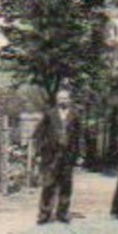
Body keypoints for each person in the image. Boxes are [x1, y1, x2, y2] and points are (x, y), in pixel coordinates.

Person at [34, 88, 76, 225]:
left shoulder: (75, 115)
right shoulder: (49, 114)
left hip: (68, 155)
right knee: (48, 184)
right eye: (60, 98)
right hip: (51, 156)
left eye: (65, 98)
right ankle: (44, 214)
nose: (63, 101)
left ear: (69, 100)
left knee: (66, 185)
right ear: (57, 101)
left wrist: (80, 154)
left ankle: (62, 213)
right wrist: (39, 152)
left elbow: (79, 136)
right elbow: (39, 134)